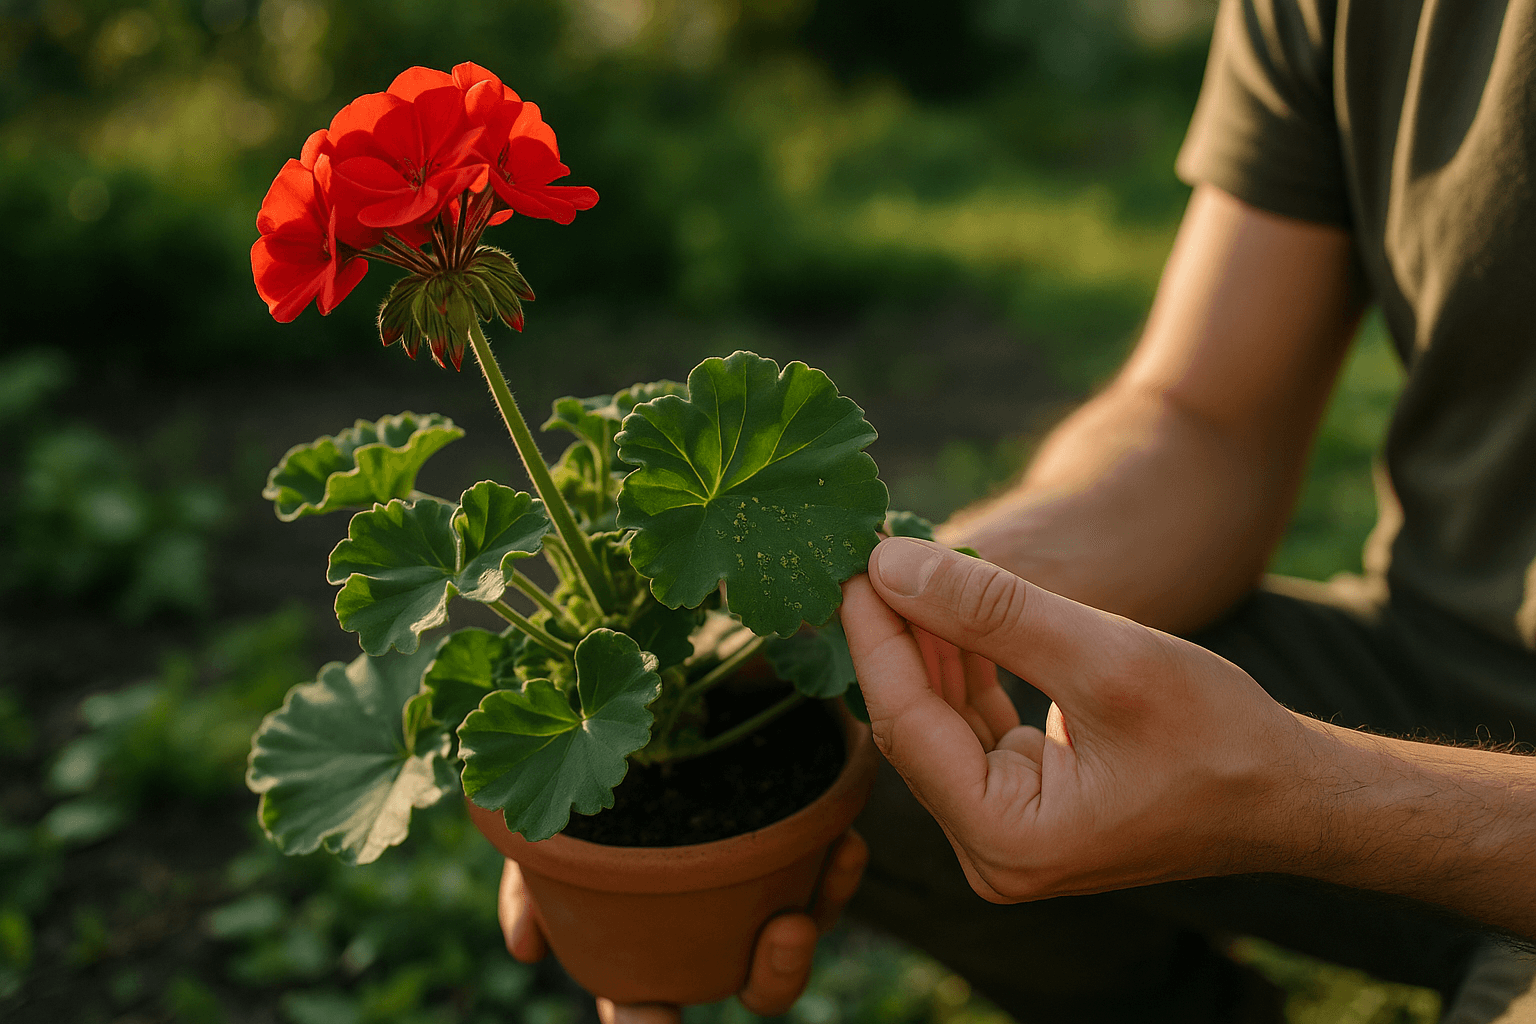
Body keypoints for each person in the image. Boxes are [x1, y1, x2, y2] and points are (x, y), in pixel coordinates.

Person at [502, 1, 1536, 1020]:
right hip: (1433, 669)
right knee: (875, 721)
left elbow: (1299, 778)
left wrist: (1307, 791)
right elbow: (1202, 420)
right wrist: (926, 597)